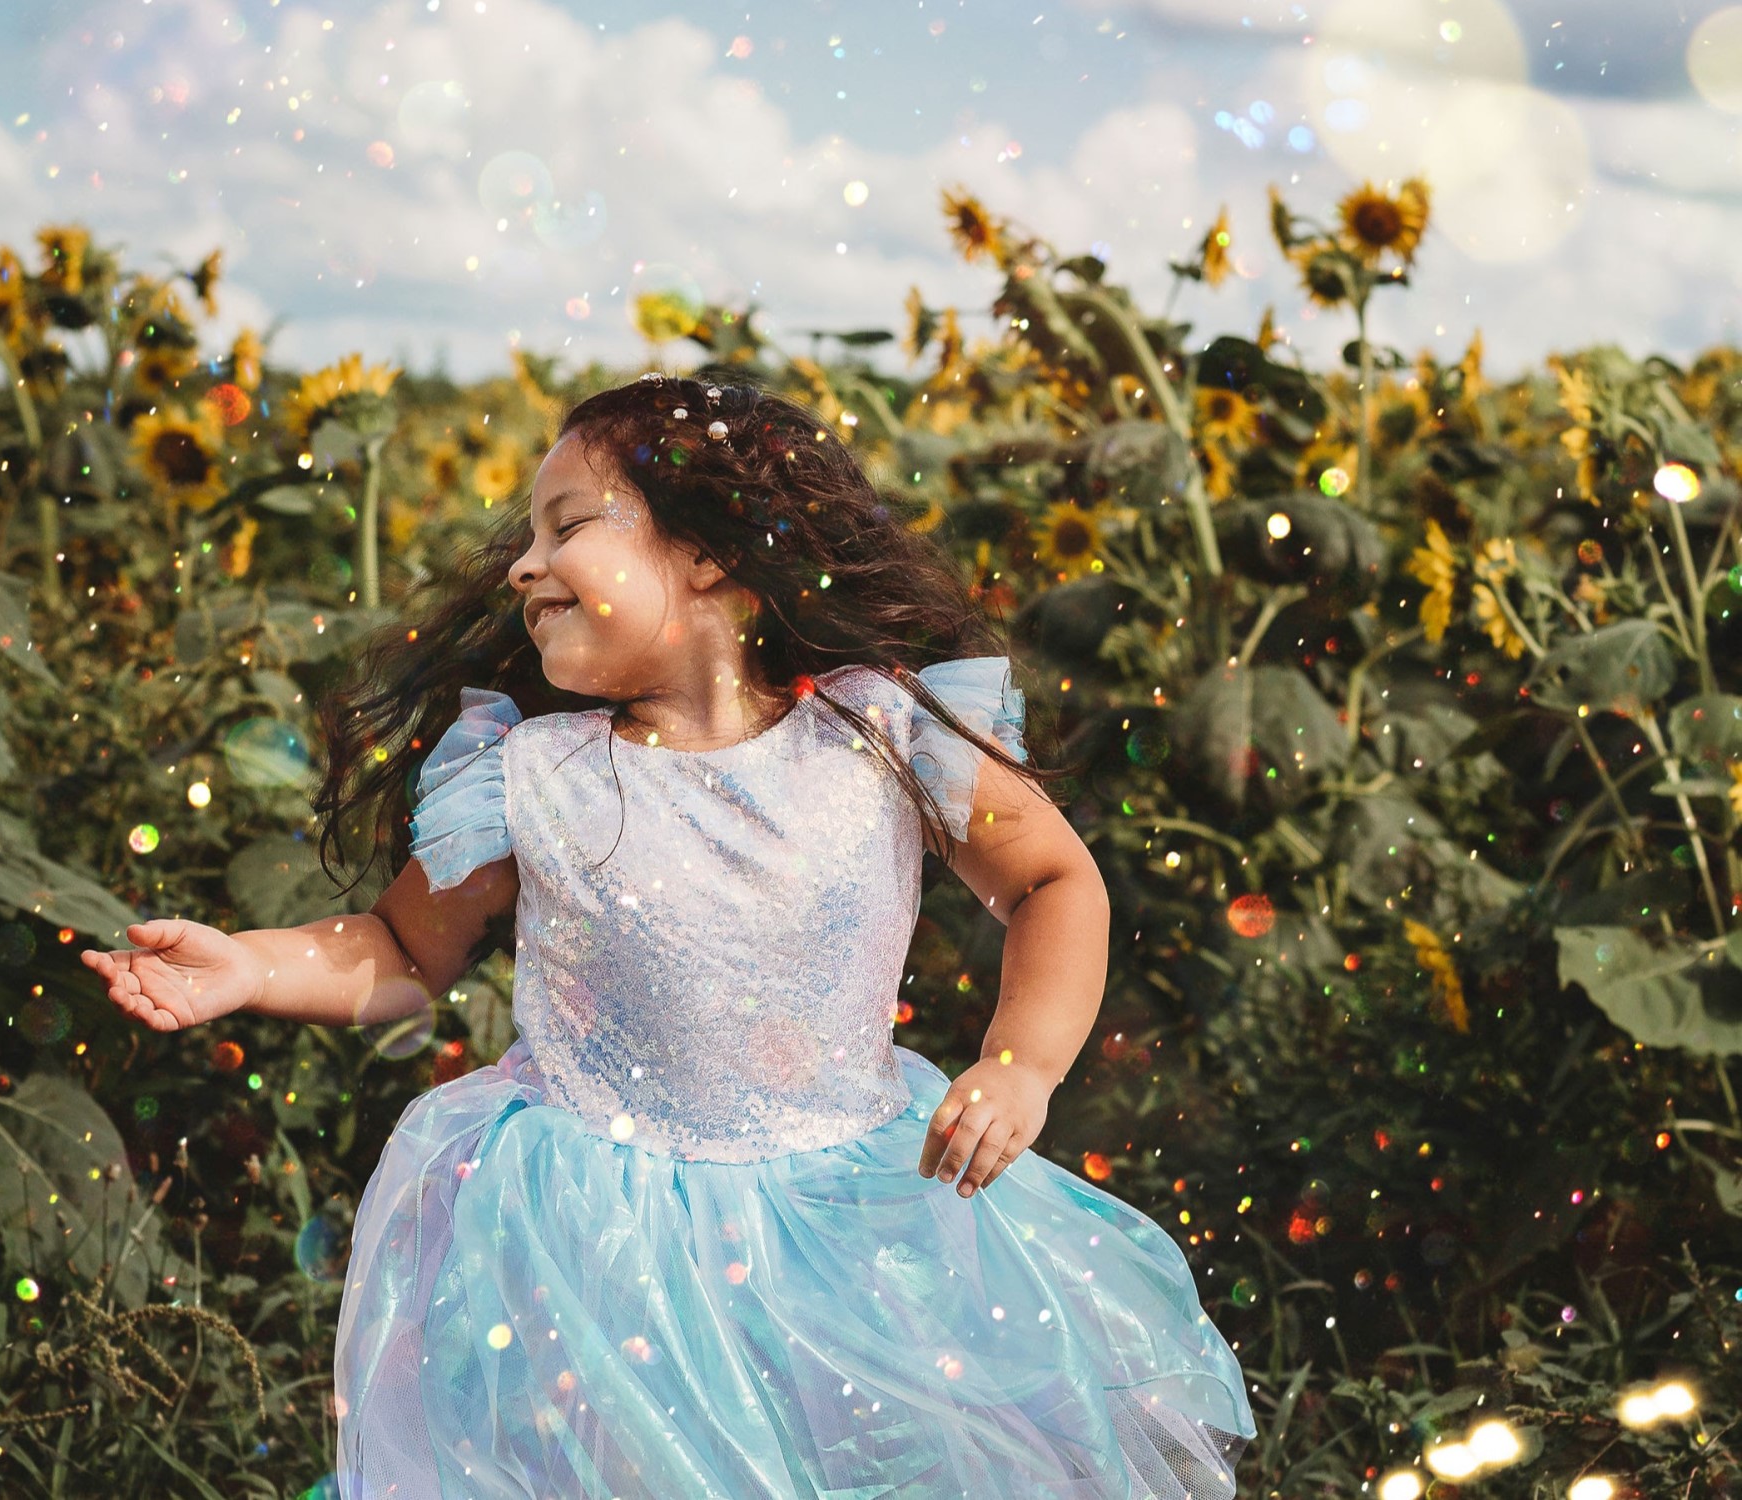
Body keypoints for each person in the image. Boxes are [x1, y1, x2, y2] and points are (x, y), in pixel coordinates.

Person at [79, 373, 1255, 1498]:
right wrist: (248, 965)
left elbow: (1051, 882)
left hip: (847, 1202)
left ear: (709, 552)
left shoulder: (878, 734)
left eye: (568, 525)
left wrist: (1020, 1063)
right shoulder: (524, 771)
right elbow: (399, 950)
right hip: (591, 1234)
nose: (527, 565)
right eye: (528, 538)